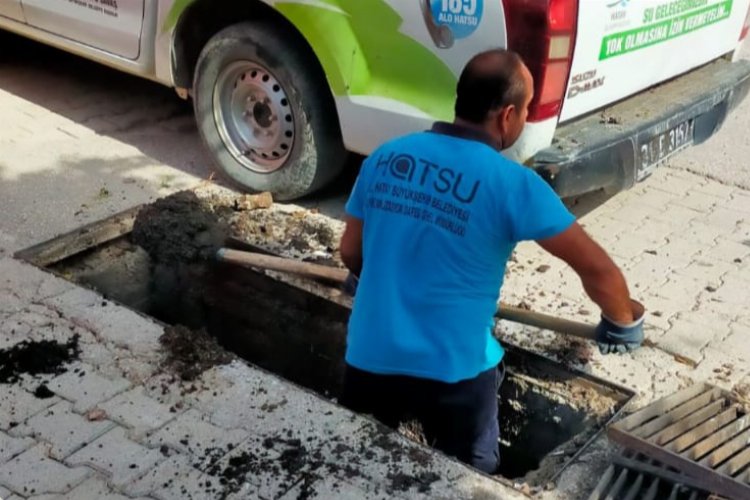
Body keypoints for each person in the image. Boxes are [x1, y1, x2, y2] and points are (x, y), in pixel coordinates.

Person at [338, 49, 644, 474]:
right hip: (455, 373)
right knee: (471, 478)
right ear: (508, 115)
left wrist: (370, 277)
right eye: (527, 110)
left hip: (370, 356)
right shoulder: (513, 184)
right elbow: (598, 270)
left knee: (357, 467)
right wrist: (622, 321)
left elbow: (351, 253)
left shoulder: (388, 157)